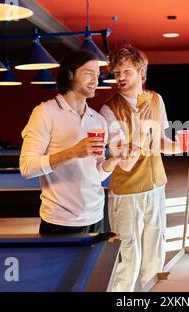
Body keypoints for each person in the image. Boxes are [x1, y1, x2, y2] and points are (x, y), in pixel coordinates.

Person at [99, 45, 189, 292]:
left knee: (155, 259)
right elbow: (127, 162)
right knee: (127, 263)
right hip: (126, 194)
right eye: (116, 71)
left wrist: (182, 146)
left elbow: (161, 143)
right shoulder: (108, 110)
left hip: (155, 188)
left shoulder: (155, 99)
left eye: (126, 71)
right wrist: (141, 130)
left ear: (141, 72)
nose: (119, 77)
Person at [20, 50, 127, 234]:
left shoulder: (98, 120)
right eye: (89, 73)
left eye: (98, 74)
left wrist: (114, 161)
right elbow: (27, 167)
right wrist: (73, 152)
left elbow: (96, 174)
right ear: (69, 74)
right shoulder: (44, 113)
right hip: (60, 221)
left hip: (97, 215)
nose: (96, 80)